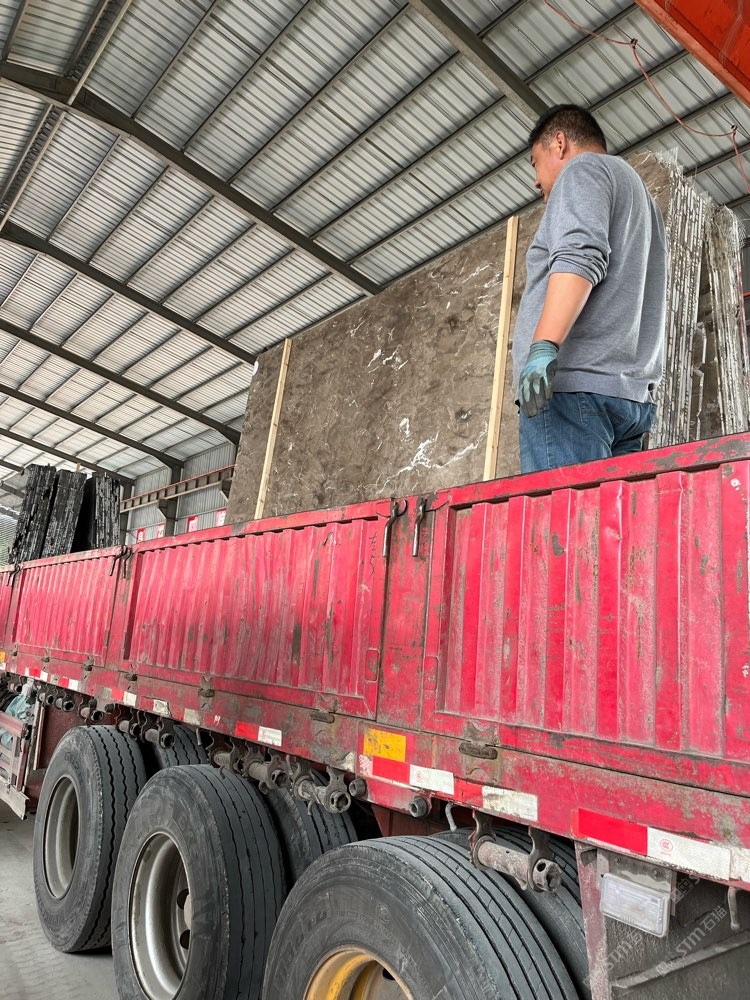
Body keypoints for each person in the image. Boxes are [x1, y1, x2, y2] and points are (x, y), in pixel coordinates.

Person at [512, 104, 667, 473]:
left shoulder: (582, 171)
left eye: (535, 163)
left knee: (565, 510)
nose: (536, 181)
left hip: (573, 394)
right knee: (609, 512)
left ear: (560, 144)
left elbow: (579, 255)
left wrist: (543, 347)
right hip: (629, 399)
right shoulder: (642, 200)